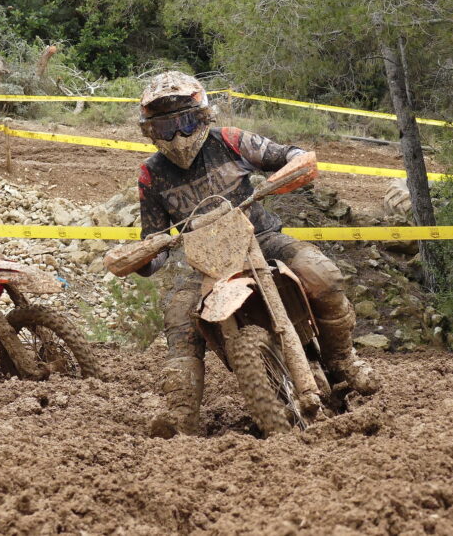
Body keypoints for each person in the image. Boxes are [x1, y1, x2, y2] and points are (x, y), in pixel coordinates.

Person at [135, 71, 381, 437]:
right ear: (151, 132)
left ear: (202, 116)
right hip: (204, 262)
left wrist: (286, 174)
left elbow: (291, 155)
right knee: (178, 318)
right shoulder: (151, 176)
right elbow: (153, 240)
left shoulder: (232, 142)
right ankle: (180, 415)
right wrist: (144, 255)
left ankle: (342, 360)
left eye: (185, 123)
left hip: (261, 238)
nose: (178, 136)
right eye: (166, 127)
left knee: (322, 274)